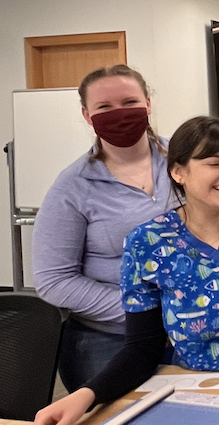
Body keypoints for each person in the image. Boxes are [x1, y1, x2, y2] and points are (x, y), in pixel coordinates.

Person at [28, 116, 219, 425]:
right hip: (205, 394)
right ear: (178, 171)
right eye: (214, 162)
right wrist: (85, 396)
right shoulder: (147, 243)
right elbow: (142, 347)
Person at [33, 65, 176, 392]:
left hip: (194, 330)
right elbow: (53, 279)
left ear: (148, 103)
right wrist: (143, 312)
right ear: (87, 115)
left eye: (129, 102)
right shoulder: (73, 186)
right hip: (111, 340)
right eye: (104, 107)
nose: (120, 114)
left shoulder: (186, 159)